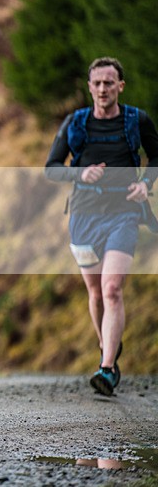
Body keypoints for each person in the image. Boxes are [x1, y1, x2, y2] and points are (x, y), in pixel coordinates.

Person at [45, 57, 158, 396]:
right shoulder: (75, 123)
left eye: (109, 83)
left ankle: (107, 369)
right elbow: (51, 168)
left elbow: (156, 157)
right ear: (89, 87)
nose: (103, 89)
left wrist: (145, 184)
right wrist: (80, 173)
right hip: (83, 216)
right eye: (97, 83)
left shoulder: (137, 120)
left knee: (111, 288)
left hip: (124, 213)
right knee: (95, 292)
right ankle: (106, 346)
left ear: (120, 86)